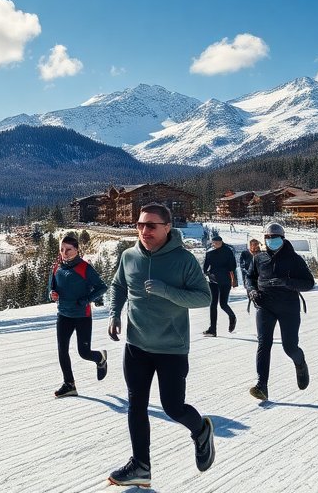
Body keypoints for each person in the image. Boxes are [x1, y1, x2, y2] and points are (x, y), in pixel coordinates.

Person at [104, 203, 214, 487]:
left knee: (173, 407)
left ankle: (201, 430)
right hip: (136, 345)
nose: (144, 230)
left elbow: (204, 298)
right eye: (140, 225)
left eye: (151, 225)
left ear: (168, 227)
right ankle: (141, 466)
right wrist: (115, 313)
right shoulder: (129, 256)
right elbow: (118, 286)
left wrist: (168, 292)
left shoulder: (183, 260)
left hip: (171, 348)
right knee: (136, 405)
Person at [246, 223, 315, 401]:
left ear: (283, 239)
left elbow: (309, 283)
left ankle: (300, 363)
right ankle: (262, 386)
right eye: (268, 238)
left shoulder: (294, 259)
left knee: (289, 347)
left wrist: (287, 282)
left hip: (288, 307)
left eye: (275, 238)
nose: (271, 241)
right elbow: (250, 278)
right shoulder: (258, 258)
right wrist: (252, 291)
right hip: (265, 305)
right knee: (263, 343)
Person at [46, 234, 108, 397]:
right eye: (61, 249)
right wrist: (51, 294)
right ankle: (69, 384)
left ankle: (100, 357)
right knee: (62, 350)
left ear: (77, 250)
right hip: (63, 314)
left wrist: (86, 300)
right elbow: (51, 287)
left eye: (68, 250)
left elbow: (102, 287)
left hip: (82, 316)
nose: (64, 253)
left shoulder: (85, 268)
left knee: (84, 352)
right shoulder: (57, 265)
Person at [201, 234, 238, 337]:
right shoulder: (210, 253)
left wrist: (223, 270)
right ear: (212, 243)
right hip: (213, 281)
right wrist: (207, 273)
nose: (216, 244)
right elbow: (205, 267)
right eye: (214, 243)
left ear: (221, 242)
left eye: (218, 243)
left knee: (223, 304)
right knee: (213, 304)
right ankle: (212, 329)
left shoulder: (228, 251)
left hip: (225, 281)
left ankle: (232, 316)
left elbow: (233, 266)